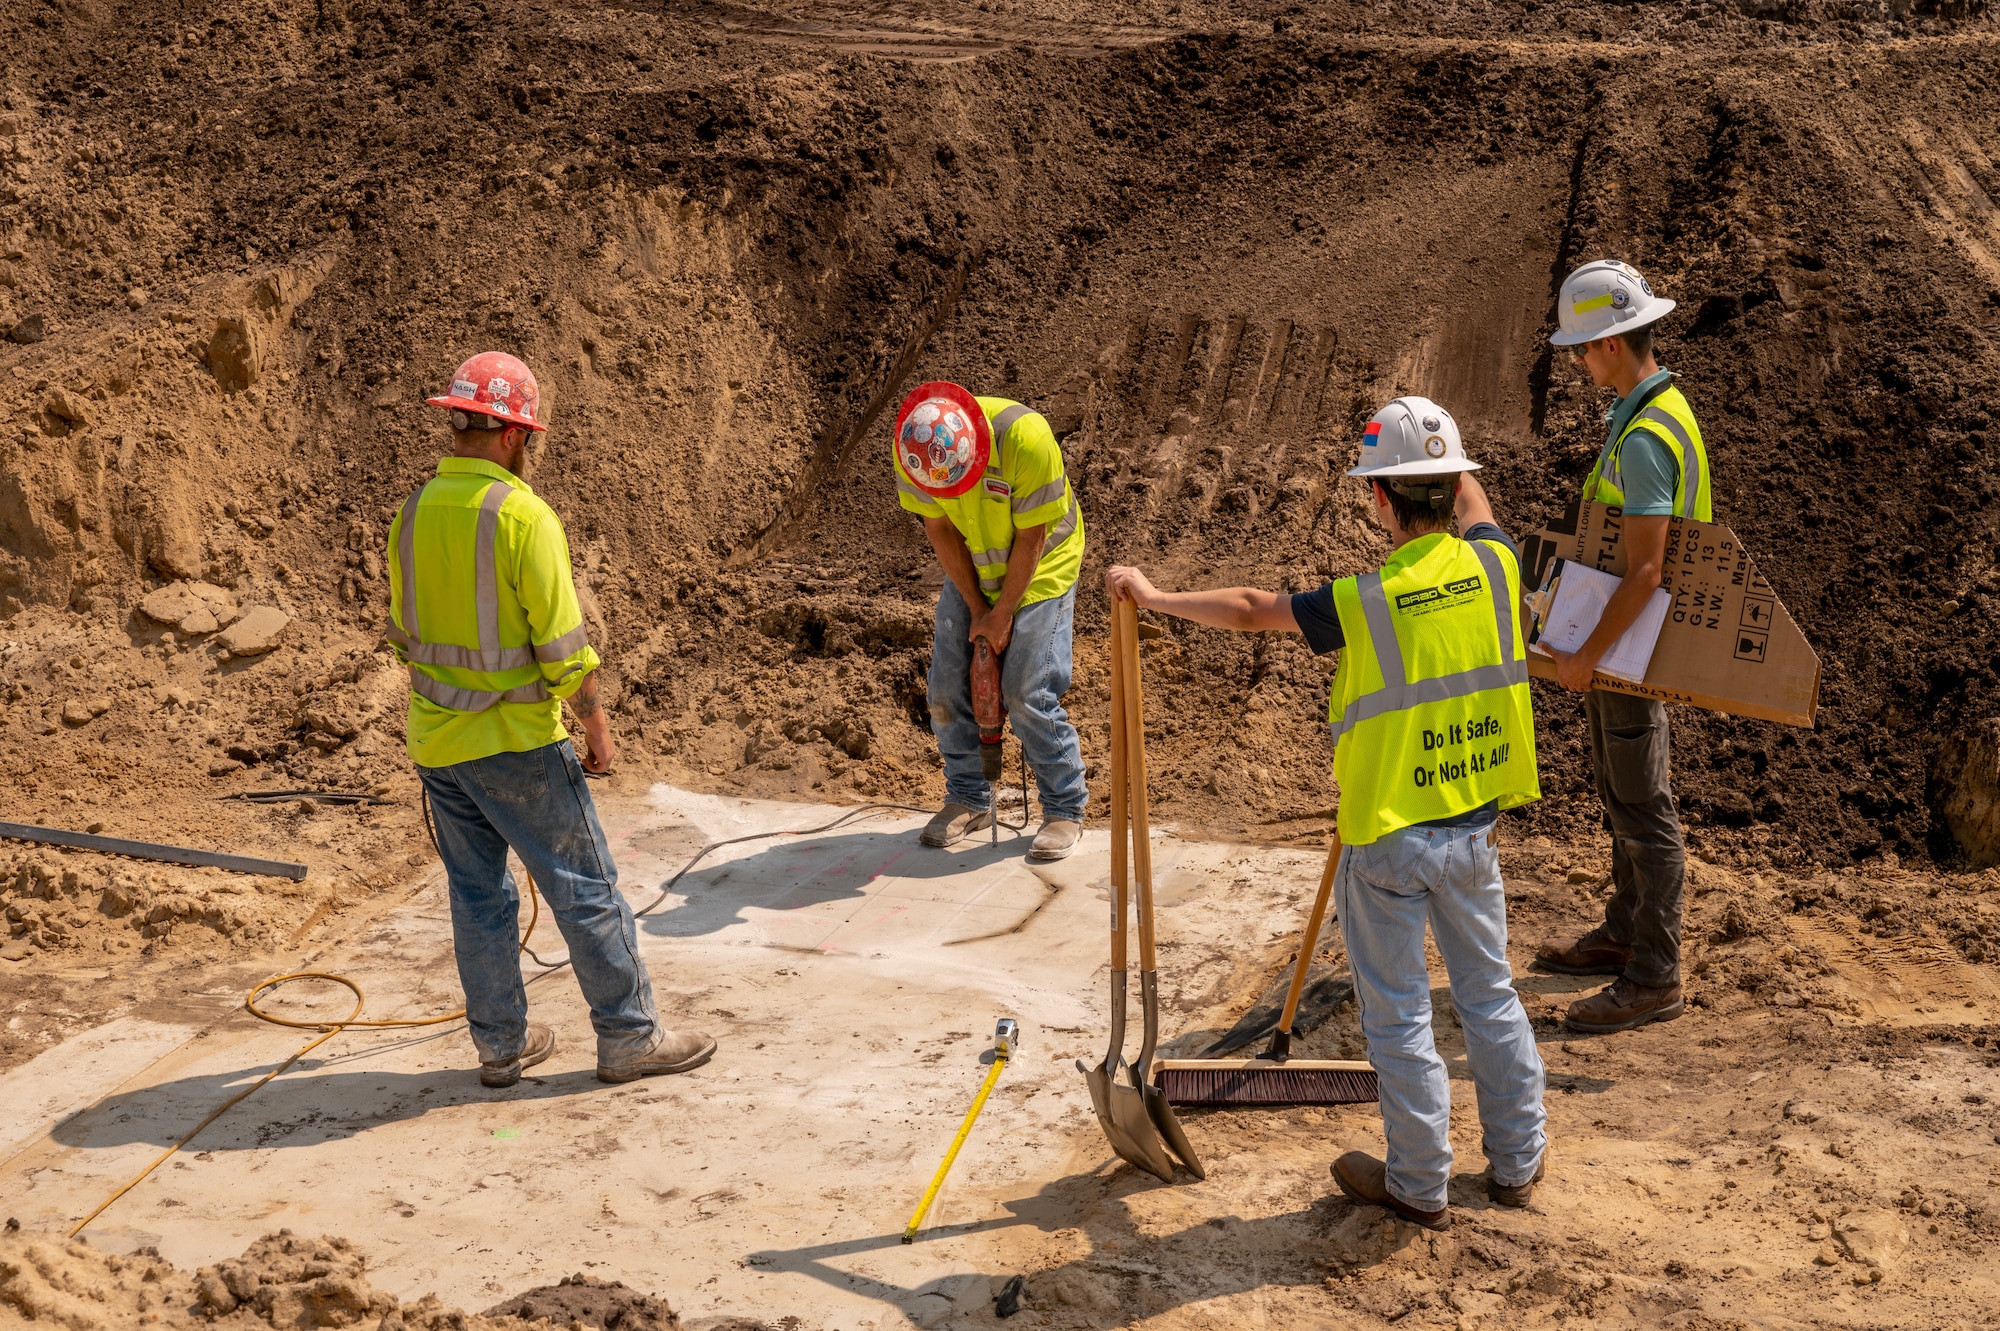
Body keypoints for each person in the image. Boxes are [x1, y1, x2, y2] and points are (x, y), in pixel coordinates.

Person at [1105, 396, 1546, 1230]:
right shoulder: (1497, 564)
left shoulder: (1365, 600)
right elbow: (1478, 510)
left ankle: (1419, 1183)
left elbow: (1247, 605)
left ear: (1379, 499)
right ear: (1455, 489)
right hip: (1473, 826)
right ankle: (1518, 1163)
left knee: (1400, 1014)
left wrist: (1154, 596)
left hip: (1387, 837)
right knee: (1489, 996)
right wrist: (1449, 464)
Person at [387, 351, 714, 1088]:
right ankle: (630, 1036)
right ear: (510, 435)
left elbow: (404, 632)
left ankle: (500, 1045)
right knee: (585, 885)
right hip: (516, 742)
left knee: (478, 895)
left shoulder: (411, 512)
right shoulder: (523, 516)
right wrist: (596, 728)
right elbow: (565, 649)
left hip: (438, 742)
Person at [1535, 259, 1712, 1035]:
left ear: (1610, 341)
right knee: (1620, 792)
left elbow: (1647, 569)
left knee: (1643, 806)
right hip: (1623, 642)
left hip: (1633, 648)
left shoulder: (1645, 437)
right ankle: (1623, 931)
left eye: (1581, 348)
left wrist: (1585, 654)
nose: (1576, 362)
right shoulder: (1648, 408)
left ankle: (1654, 974)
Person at [892, 381, 1088, 860]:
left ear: (974, 451)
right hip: (976, 559)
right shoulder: (912, 448)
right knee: (944, 687)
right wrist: (978, 608)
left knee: (1026, 690)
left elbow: (1032, 537)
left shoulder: (1026, 439)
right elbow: (938, 527)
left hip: (1042, 564)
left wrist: (1002, 615)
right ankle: (968, 796)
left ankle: (1065, 806)